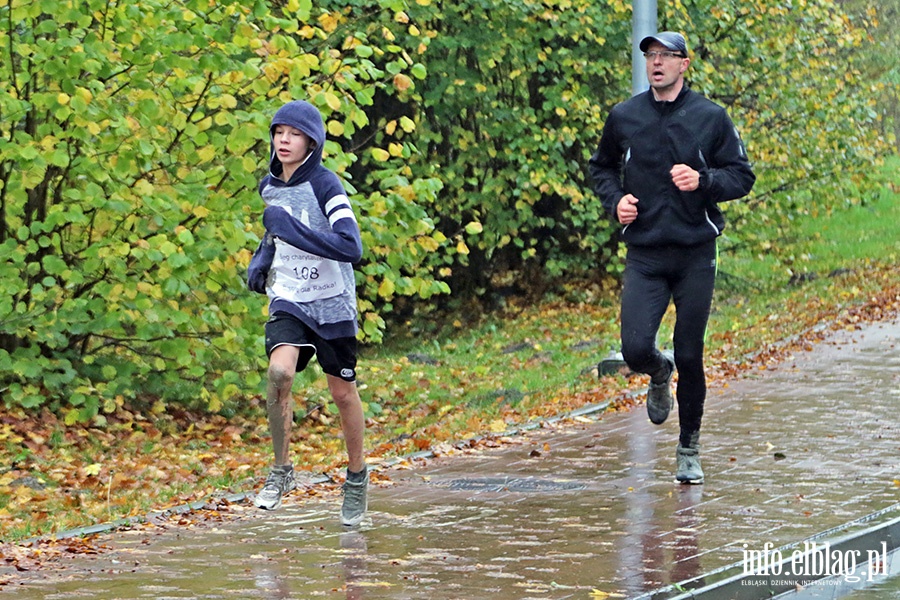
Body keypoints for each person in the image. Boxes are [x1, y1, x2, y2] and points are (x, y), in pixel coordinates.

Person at [588, 32, 755, 484]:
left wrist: (703, 180)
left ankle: (688, 448)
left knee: (691, 350)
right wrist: (615, 200)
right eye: (650, 56)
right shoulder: (625, 116)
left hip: (694, 253)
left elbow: (742, 177)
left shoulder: (710, 117)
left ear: (685, 64)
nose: (656, 63)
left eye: (666, 56)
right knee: (635, 348)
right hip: (645, 252)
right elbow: (600, 167)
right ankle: (659, 373)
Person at [247, 99, 368, 525]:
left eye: (294, 133)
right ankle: (281, 470)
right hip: (291, 297)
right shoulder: (269, 184)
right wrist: (263, 256)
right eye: (279, 131)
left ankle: (356, 476)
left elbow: (351, 247)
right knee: (279, 373)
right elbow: (275, 229)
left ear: (311, 142)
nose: (284, 139)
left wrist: (290, 230)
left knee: (341, 394)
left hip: (332, 301)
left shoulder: (326, 185)